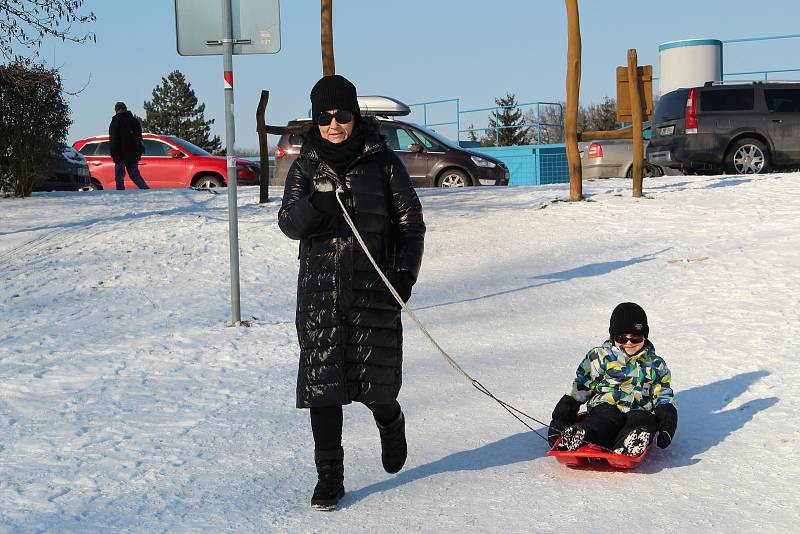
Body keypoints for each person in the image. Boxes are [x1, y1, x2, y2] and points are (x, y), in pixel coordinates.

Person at [278, 74, 425, 511]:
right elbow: (288, 223)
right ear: (316, 120)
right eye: (325, 117)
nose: (334, 124)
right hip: (321, 292)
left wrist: (403, 275)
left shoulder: (382, 161)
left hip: (373, 289)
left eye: (342, 115)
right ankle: (330, 478)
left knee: (376, 383)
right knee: (324, 387)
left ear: (354, 115)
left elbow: (410, 225)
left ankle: (391, 420)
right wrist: (316, 205)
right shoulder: (306, 165)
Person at [548, 302, 678, 456]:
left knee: (644, 422)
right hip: (606, 405)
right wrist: (562, 416)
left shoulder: (655, 364)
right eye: (622, 338)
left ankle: (631, 443)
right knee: (602, 420)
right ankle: (581, 435)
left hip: (639, 409)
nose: (629, 343)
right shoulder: (600, 357)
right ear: (613, 336)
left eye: (635, 337)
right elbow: (582, 385)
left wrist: (667, 418)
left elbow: (662, 394)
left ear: (644, 336)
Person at [108, 101, 149, 190]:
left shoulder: (116, 121)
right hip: (134, 153)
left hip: (120, 154)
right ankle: (145, 189)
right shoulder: (134, 120)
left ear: (117, 110)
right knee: (135, 175)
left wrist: (113, 153)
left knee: (119, 176)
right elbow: (139, 137)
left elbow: (114, 139)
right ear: (125, 109)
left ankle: (121, 193)